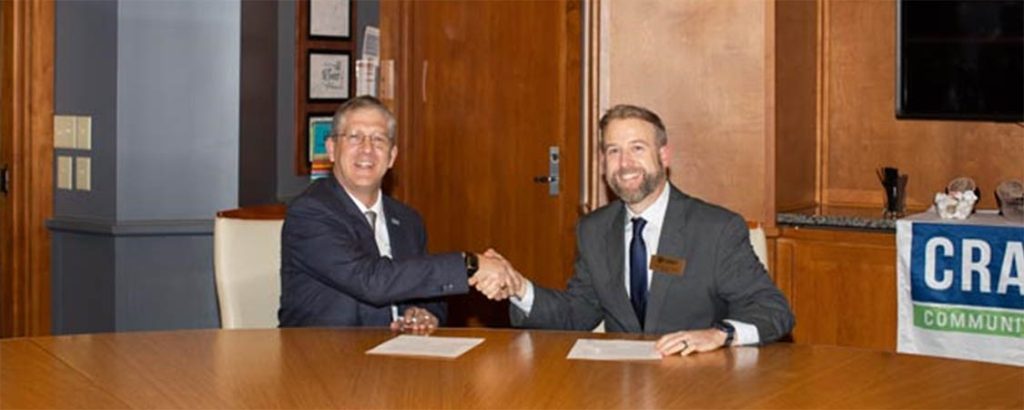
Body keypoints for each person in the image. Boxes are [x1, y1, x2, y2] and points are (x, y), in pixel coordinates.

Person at [482, 104, 794, 356]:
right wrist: (520, 288)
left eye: (637, 148)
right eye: (613, 151)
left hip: (701, 385)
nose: (625, 163)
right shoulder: (593, 230)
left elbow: (773, 311)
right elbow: (578, 313)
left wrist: (720, 334)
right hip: (618, 387)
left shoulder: (716, 229)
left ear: (663, 156)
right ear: (603, 162)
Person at [278, 96, 517, 331]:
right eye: (354, 137)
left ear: (392, 157)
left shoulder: (408, 220)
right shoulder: (310, 212)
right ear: (331, 149)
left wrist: (427, 315)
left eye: (378, 140)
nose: (367, 149)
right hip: (319, 361)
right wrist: (469, 265)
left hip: (395, 358)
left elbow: (428, 293)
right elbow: (372, 281)